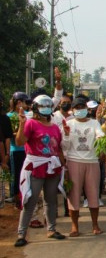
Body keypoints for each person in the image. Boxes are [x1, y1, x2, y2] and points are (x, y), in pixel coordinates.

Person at [14, 95, 67, 247]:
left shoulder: (55, 127)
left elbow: (58, 148)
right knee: (30, 200)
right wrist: (21, 125)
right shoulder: (30, 123)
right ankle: (21, 234)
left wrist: (63, 166)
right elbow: (20, 141)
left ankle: (51, 229)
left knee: (50, 200)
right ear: (36, 108)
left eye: (48, 105)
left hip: (52, 166)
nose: (46, 108)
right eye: (42, 105)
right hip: (36, 166)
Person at [62, 97, 105, 236]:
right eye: (77, 108)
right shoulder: (68, 124)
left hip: (92, 161)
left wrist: (101, 139)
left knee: (93, 194)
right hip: (74, 161)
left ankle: (95, 225)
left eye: (82, 107)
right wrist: (67, 135)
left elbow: (100, 135)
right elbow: (64, 146)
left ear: (87, 109)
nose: (80, 110)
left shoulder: (94, 123)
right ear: (73, 110)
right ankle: (74, 226)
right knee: (73, 195)